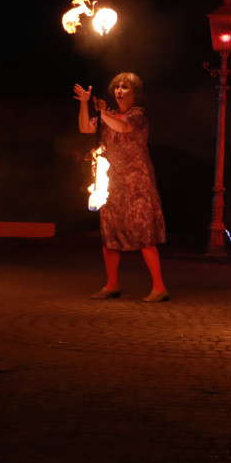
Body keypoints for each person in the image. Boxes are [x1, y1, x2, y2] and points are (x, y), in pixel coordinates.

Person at [73, 72, 169, 302]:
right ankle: (111, 284)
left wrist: (103, 112)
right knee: (110, 235)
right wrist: (86, 104)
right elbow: (86, 128)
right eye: (117, 87)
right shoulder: (109, 115)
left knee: (144, 235)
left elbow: (123, 128)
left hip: (138, 182)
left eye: (125, 87)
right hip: (113, 183)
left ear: (134, 92)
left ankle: (159, 287)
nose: (119, 91)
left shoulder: (138, 114)